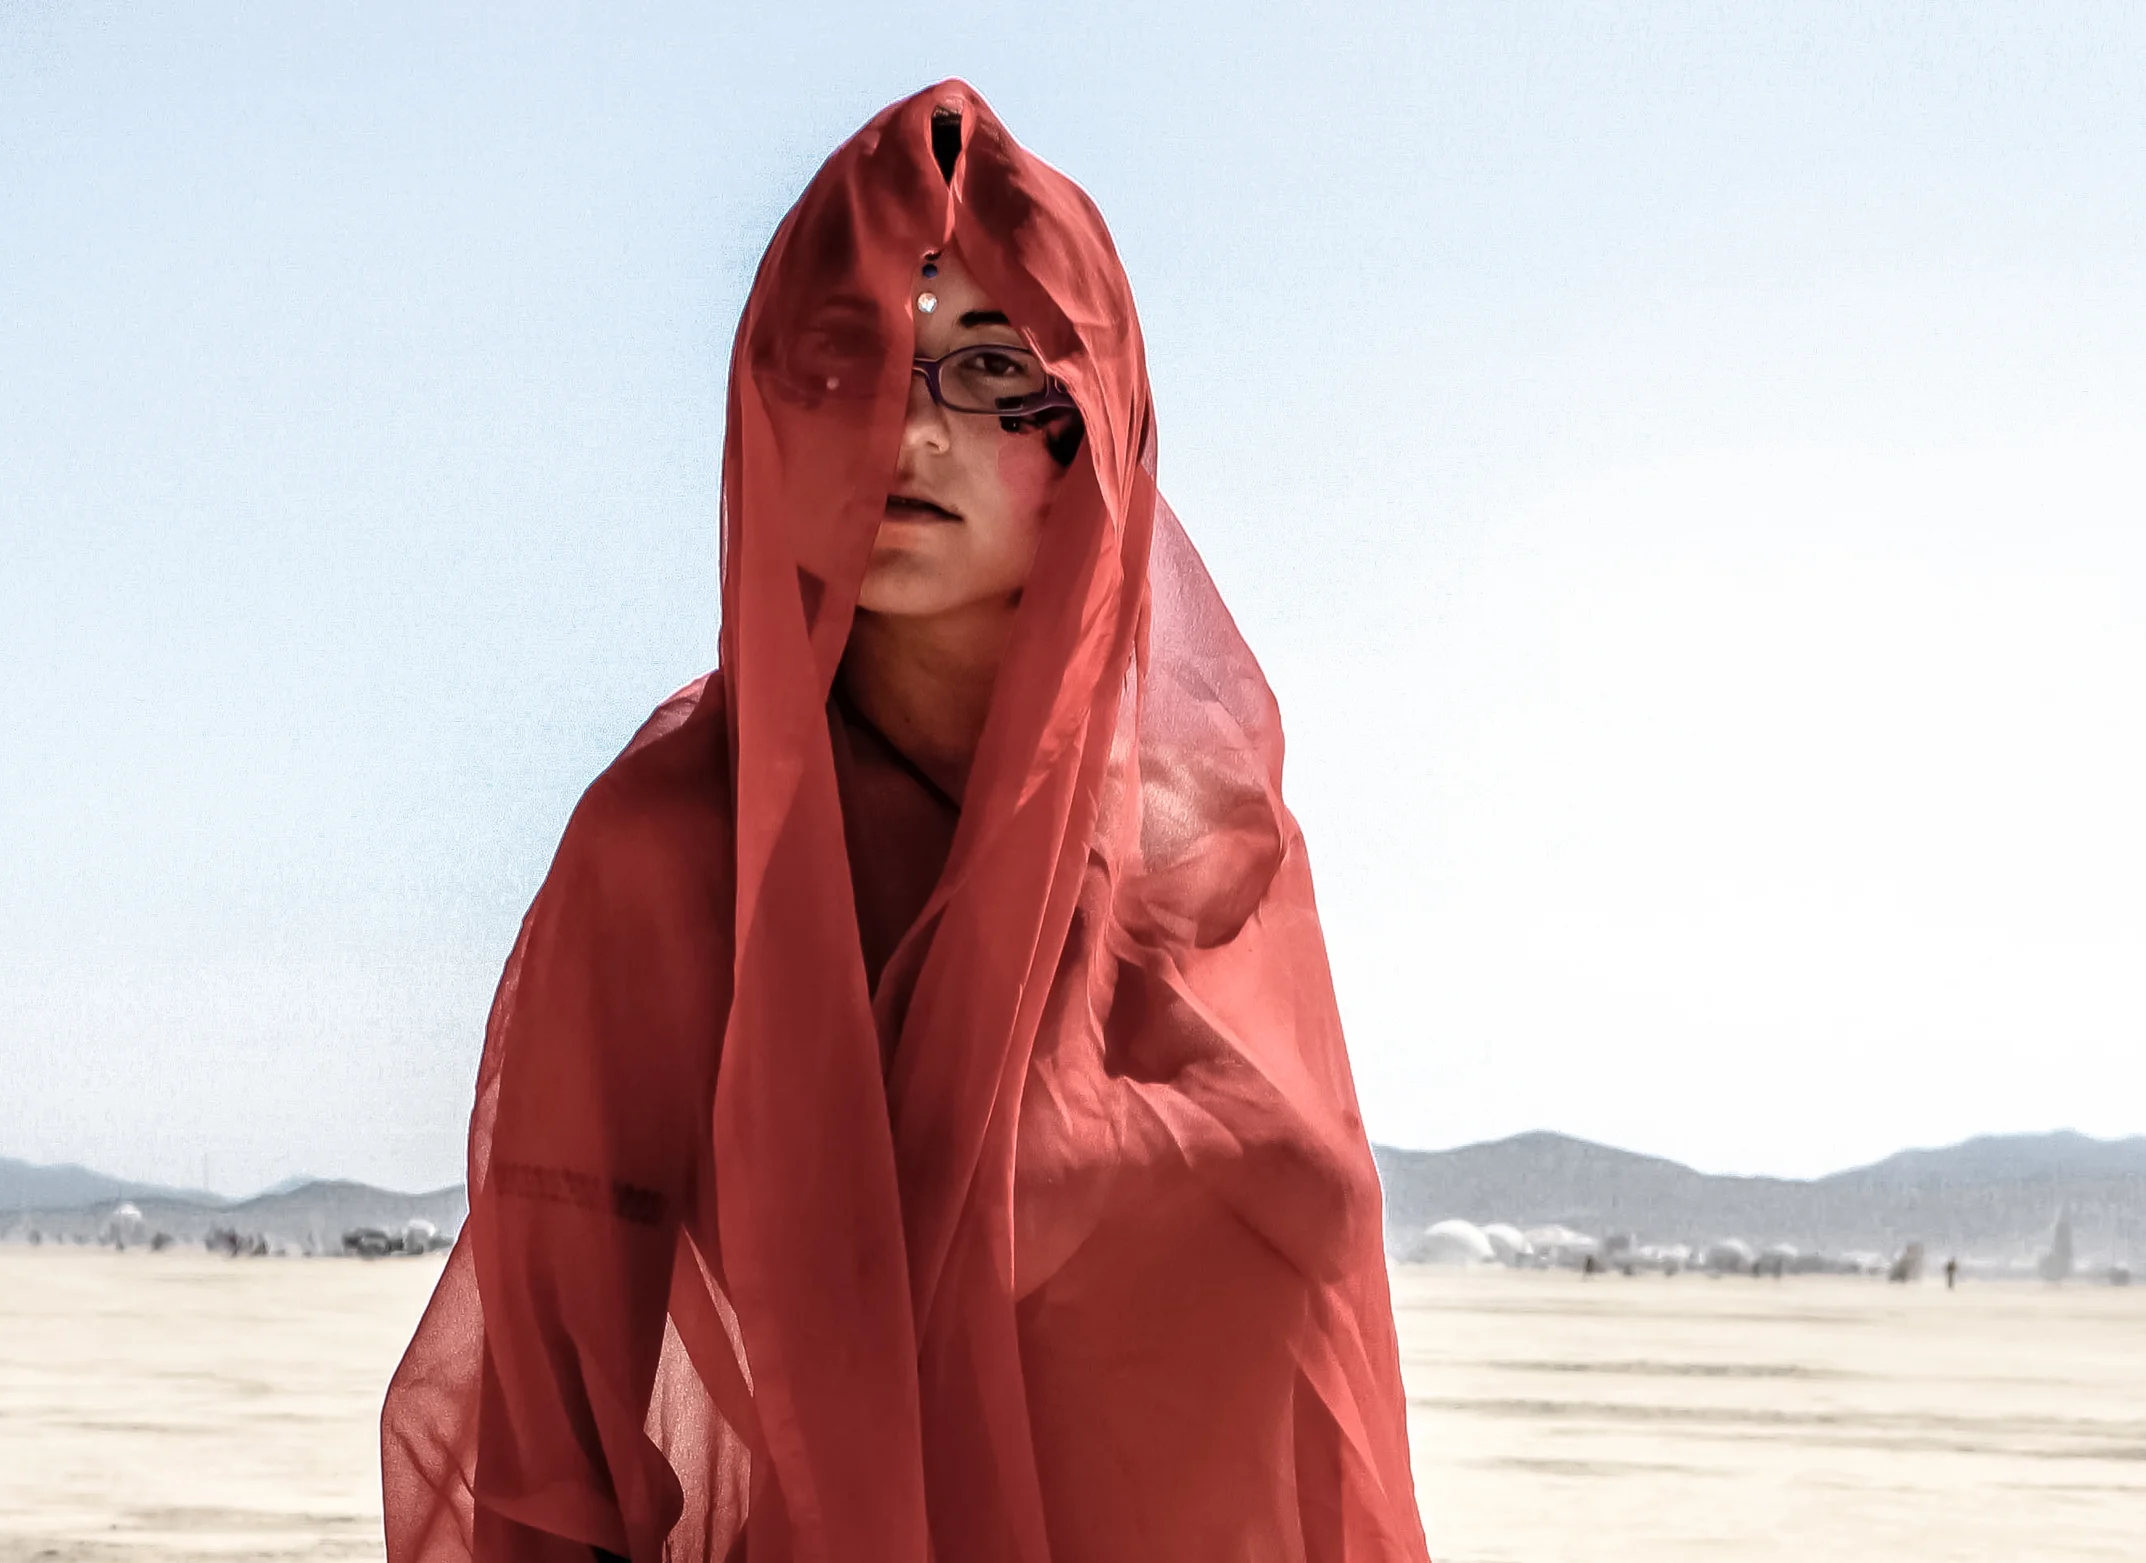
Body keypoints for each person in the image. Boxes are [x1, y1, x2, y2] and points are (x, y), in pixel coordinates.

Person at [383, 83, 1428, 1563]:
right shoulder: (681, 849)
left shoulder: (1213, 851)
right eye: (850, 357)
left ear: (1096, 427)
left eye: (990, 365)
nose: (903, 425)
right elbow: (546, 1459)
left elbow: (1337, 1423)